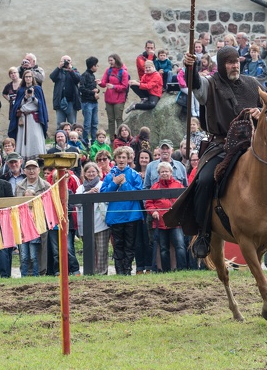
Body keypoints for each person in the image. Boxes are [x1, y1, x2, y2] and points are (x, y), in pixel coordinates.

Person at [163, 46, 267, 258]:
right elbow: (196, 85)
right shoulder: (210, 85)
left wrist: (261, 112)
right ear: (221, 65)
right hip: (222, 146)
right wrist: (189, 67)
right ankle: (203, 233)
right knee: (204, 180)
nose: (235, 66)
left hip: (253, 145)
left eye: (237, 62)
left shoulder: (252, 84)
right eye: (230, 63)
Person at [102, 146, 144, 275]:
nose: (121, 160)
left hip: (132, 215)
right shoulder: (109, 176)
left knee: (130, 244)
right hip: (116, 216)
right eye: (119, 157)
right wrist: (114, 183)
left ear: (128, 159)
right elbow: (103, 194)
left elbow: (139, 193)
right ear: (115, 159)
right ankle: (119, 270)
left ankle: (127, 269)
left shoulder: (134, 174)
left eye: (124, 157)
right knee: (118, 244)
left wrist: (124, 183)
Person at [147, 161, 187, 272]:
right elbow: (149, 203)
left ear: (171, 172)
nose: (164, 173)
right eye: (162, 171)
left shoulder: (178, 185)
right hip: (160, 222)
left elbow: (184, 201)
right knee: (163, 249)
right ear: (159, 173)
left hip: (175, 221)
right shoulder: (154, 187)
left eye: (167, 171)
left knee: (180, 246)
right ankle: (166, 270)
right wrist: (153, 211)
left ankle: (182, 268)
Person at [15, 159, 50, 277]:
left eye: (34, 168)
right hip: (23, 224)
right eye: (28, 168)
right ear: (24, 171)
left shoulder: (46, 186)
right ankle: (25, 273)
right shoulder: (19, 187)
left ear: (38, 170)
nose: (31, 171)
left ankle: (40, 272)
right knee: (24, 252)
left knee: (41, 249)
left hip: (40, 222)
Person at [8, 71, 48, 160]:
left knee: (35, 137)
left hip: (34, 118)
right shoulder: (21, 90)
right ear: (24, 78)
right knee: (23, 138)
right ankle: (24, 158)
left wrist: (33, 97)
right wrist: (25, 97)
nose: (28, 78)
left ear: (32, 78)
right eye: (26, 77)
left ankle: (38, 158)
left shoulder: (37, 89)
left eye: (30, 77)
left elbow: (41, 105)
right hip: (23, 118)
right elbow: (17, 105)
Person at [99, 54, 129, 137]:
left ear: (116, 60)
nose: (110, 62)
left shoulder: (123, 72)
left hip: (119, 99)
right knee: (110, 120)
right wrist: (100, 83)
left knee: (118, 119)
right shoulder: (108, 71)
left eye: (111, 60)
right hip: (109, 99)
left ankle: (121, 137)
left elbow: (124, 86)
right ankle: (112, 139)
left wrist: (114, 86)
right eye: (109, 61)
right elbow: (104, 83)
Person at [49, 55, 82, 126]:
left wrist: (71, 70)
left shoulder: (75, 70)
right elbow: (52, 77)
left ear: (71, 62)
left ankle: (72, 137)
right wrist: (59, 67)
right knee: (60, 124)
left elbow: (78, 79)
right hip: (60, 101)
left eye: (68, 61)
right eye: (64, 60)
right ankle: (60, 136)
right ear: (60, 62)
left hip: (71, 102)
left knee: (72, 124)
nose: (66, 62)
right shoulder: (58, 71)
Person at [78, 56, 100, 147]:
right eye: (96, 65)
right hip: (87, 102)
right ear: (92, 66)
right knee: (87, 124)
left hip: (94, 102)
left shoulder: (92, 75)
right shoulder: (84, 75)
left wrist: (97, 91)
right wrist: (92, 92)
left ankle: (94, 142)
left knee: (94, 123)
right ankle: (85, 142)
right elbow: (81, 88)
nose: (97, 67)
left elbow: (94, 88)